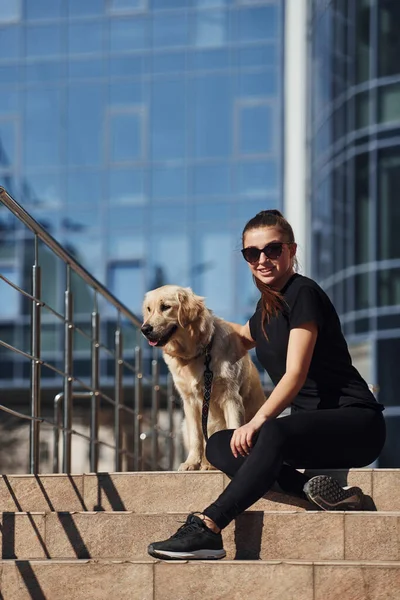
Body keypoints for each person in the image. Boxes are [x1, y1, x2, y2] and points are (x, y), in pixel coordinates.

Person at [147, 209, 386, 561]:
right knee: (219, 446)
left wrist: (258, 422)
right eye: (252, 253)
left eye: (273, 249)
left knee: (269, 433)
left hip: (354, 423)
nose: (262, 259)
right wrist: (186, 327)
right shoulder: (265, 309)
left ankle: (208, 526)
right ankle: (328, 494)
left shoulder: (303, 293)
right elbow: (236, 337)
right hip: (309, 434)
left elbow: (295, 374)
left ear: (291, 250)